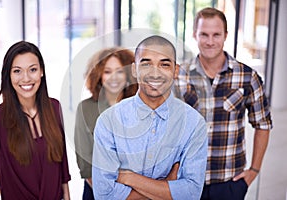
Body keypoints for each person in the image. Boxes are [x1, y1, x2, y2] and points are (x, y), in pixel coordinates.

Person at [92, 35, 208, 200]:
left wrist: (129, 178)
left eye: (164, 64)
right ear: (134, 70)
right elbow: (104, 194)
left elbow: (190, 193)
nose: (155, 73)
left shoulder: (194, 124)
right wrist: (167, 185)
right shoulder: (108, 121)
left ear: (175, 70)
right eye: (146, 64)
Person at [180, 7, 273, 200]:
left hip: (229, 182)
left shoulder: (248, 77)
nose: (210, 41)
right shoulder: (180, 75)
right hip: (185, 180)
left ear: (226, 36)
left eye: (216, 34)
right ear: (194, 35)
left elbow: (263, 124)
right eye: (204, 34)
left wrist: (254, 170)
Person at [0, 41, 71, 200]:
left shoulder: (54, 107)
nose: (26, 78)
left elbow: (62, 165)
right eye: (17, 71)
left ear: (41, 72)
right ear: (8, 75)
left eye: (32, 69)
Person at [74, 47, 138, 200]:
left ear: (128, 75)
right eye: (107, 72)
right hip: (96, 190)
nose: (113, 77)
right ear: (99, 76)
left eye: (120, 71)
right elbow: (85, 160)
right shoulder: (86, 108)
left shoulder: (139, 107)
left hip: (136, 190)